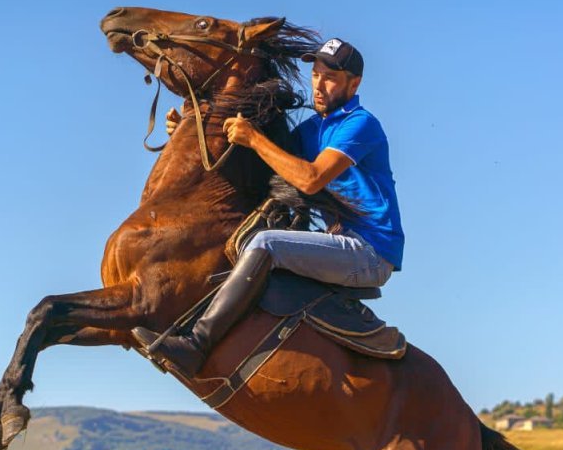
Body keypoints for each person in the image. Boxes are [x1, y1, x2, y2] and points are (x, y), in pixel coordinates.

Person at [144, 36, 405, 379]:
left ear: (353, 84)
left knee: (265, 243)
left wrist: (254, 137)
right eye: (315, 75)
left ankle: (196, 345)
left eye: (331, 78)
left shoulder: (359, 124)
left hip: (369, 252)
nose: (319, 85)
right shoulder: (312, 130)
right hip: (342, 244)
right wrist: (187, 131)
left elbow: (310, 179)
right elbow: (268, 164)